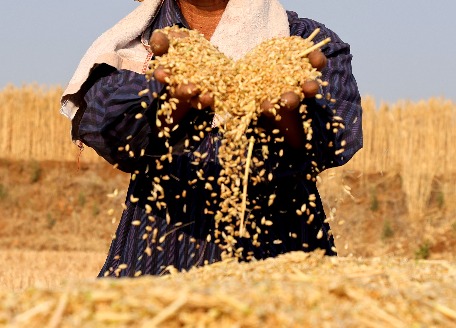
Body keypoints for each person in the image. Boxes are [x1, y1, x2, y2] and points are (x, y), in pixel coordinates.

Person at [61, 0, 363, 277]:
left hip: (282, 260)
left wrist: (292, 125)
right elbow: (110, 130)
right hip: (157, 258)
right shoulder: (137, 45)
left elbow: (337, 134)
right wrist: (167, 110)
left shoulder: (306, 44)